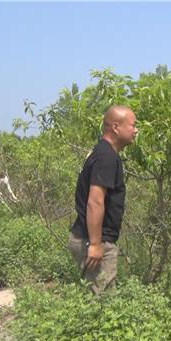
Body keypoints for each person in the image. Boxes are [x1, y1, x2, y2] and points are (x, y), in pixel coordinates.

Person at [67, 105, 138, 295]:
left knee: (93, 298)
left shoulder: (103, 152)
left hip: (88, 238)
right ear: (116, 127)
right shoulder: (106, 157)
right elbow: (95, 202)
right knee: (102, 303)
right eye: (133, 125)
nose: (136, 130)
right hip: (96, 241)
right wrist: (96, 244)